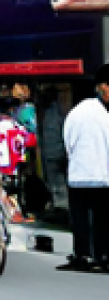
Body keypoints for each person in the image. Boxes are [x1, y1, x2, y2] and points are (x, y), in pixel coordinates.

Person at [57, 63, 109, 273]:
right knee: (102, 218)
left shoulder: (76, 111)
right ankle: (102, 256)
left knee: (79, 218)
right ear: (102, 87)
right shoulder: (104, 115)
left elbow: (67, 140)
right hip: (103, 176)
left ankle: (82, 255)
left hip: (78, 175)